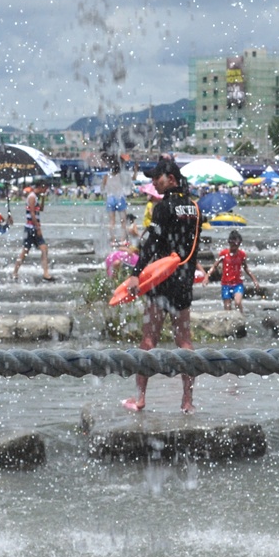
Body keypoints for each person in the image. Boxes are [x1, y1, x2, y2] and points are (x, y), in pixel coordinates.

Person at [122, 157, 202, 415]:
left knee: (148, 340)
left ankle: (140, 398)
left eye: (158, 177)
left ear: (172, 179)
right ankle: (187, 402)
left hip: (161, 281)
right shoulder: (193, 208)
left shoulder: (162, 207)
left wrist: (136, 274)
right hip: (183, 282)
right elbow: (193, 248)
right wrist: (189, 275)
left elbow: (151, 245)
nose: (154, 181)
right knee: (185, 342)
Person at [207, 229, 259, 311]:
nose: (234, 248)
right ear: (229, 243)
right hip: (226, 284)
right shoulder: (224, 254)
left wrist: (254, 280)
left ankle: (241, 317)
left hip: (238, 283)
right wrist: (207, 276)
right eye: (233, 245)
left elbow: (246, 268)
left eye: (237, 245)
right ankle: (229, 322)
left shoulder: (242, 254)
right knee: (227, 307)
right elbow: (214, 266)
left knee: (237, 302)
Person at [13, 183, 53, 281]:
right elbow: (32, 212)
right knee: (27, 250)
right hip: (31, 228)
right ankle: (15, 272)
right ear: (40, 187)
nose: (45, 191)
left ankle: (45, 273)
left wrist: (43, 198)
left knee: (42, 249)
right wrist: (38, 228)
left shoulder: (36, 197)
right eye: (45, 189)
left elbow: (41, 209)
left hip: (32, 227)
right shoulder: (32, 197)